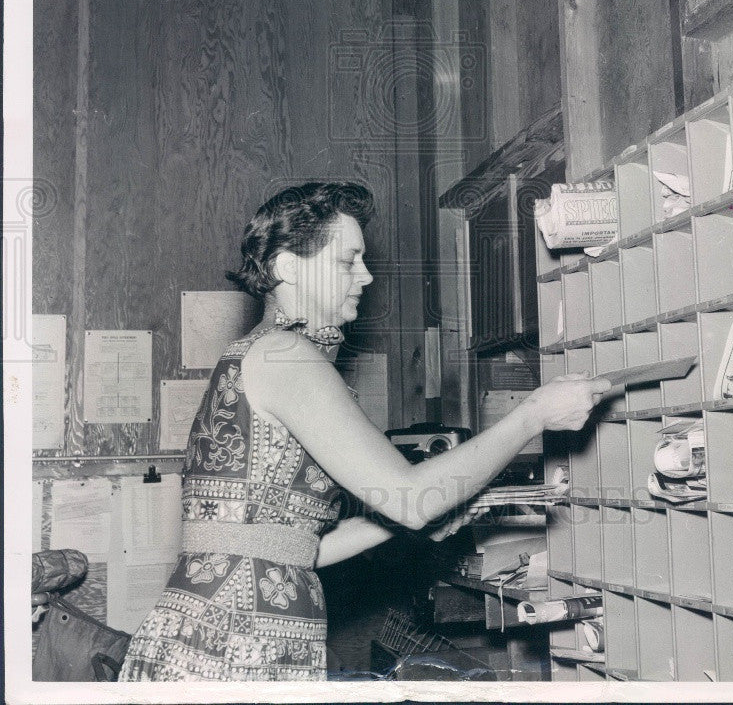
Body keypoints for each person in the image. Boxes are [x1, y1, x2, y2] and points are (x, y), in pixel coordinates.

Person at [118, 182, 610, 682]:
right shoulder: (286, 356)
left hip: (232, 633)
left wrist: (421, 515)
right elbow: (410, 496)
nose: (366, 276)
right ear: (289, 267)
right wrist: (532, 414)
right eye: (347, 261)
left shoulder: (260, 354)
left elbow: (298, 547)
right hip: (229, 643)